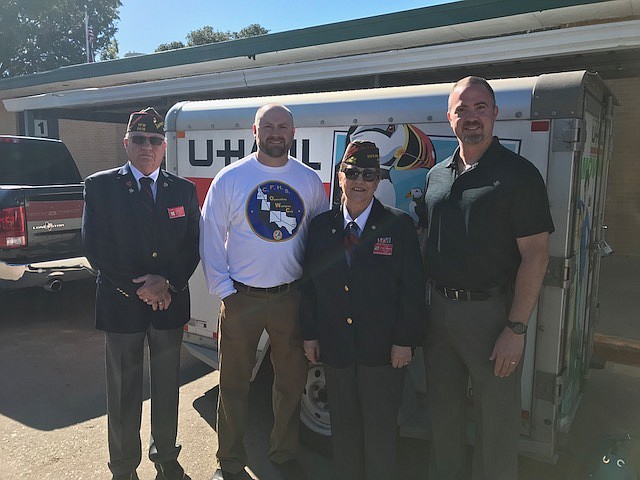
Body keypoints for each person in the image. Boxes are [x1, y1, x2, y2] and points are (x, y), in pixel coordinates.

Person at [421, 77, 555, 480]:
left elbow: (536, 257)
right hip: (439, 313)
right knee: (442, 416)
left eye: (481, 107)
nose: (471, 117)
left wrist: (516, 327)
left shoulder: (519, 175)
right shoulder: (438, 175)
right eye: (462, 109)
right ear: (450, 118)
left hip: (491, 316)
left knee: (496, 423)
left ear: (496, 114)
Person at [199, 104, 327, 480]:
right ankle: (229, 461)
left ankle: (284, 452)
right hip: (241, 300)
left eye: (282, 126)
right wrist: (224, 290)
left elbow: (318, 241)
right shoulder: (232, 178)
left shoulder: (307, 181)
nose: (275, 132)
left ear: (293, 132)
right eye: (267, 126)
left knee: (290, 384)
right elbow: (210, 236)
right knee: (233, 384)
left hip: (290, 299)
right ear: (254, 131)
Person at [82, 107, 200, 480]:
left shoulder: (182, 190)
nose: (146, 146)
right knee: (122, 392)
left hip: (169, 303)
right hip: (121, 305)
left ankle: (166, 456)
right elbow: (96, 248)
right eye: (139, 139)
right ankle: (123, 467)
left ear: (164, 146)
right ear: (126, 143)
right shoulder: (100, 186)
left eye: (154, 140)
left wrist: (167, 283)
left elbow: (193, 245)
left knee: (167, 388)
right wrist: (143, 287)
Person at [300, 140, 426, 480]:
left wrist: (405, 341)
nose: (359, 181)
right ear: (340, 176)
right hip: (336, 348)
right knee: (344, 430)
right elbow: (310, 286)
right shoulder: (321, 226)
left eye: (368, 174)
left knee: (381, 432)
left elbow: (413, 290)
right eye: (352, 172)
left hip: (383, 352)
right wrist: (310, 334)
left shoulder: (397, 226)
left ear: (378, 180)